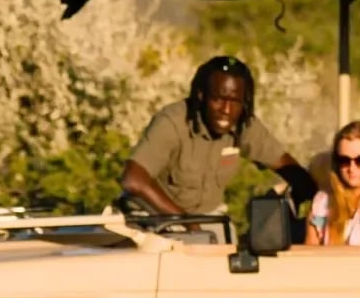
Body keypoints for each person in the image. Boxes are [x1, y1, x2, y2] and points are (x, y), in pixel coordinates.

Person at [118, 55, 318, 238]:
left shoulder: (244, 124)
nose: (226, 110)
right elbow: (133, 179)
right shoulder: (172, 122)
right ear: (201, 95)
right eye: (218, 99)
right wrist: (187, 222)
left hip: (209, 220)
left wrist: (321, 201)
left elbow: (287, 167)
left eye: (234, 101)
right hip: (154, 218)